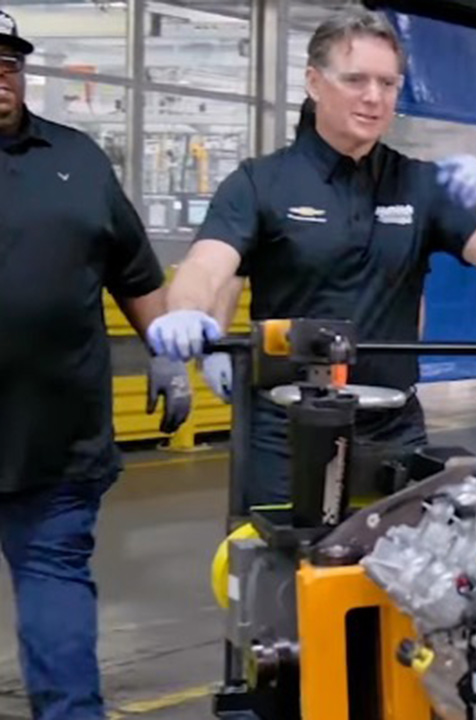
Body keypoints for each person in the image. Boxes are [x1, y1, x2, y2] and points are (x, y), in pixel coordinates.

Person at [145, 8, 476, 507]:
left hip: (394, 427)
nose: (374, 97)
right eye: (355, 80)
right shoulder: (260, 182)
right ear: (314, 81)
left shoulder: (419, 184)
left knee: (400, 571)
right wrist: (185, 312)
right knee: (283, 572)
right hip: (286, 428)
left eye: (388, 83)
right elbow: (206, 265)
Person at [0, 11, 186, 719]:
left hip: (58, 441)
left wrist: (168, 354)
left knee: (56, 598)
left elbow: (136, 274)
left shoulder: (78, 159)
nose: (1, 73)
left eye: (9, 61)